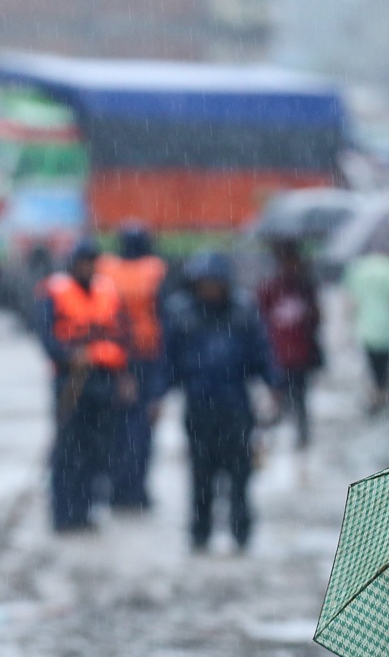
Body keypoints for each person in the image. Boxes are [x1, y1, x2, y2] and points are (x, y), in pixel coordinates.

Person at [165, 252, 275, 552]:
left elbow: (261, 353)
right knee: (201, 475)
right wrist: (156, 395)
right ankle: (200, 533)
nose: (210, 289)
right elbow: (169, 361)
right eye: (205, 283)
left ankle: (241, 532)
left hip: (236, 408)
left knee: (239, 474)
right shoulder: (182, 314)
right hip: (199, 408)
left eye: (215, 283)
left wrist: (274, 384)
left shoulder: (243, 311)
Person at [37, 239, 130, 533]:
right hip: (70, 380)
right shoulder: (55, 291)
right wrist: (67, 355)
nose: (88, 268)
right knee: (67, 447)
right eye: (83, 262)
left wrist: (124, 373)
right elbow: (45, 333)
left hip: (102, 378)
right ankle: (63, 513)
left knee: (95, 448)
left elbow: (122, 334)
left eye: (92, 262)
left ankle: (85, 510)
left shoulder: (108, 291)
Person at [97, 223, 168, 511]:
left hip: (111, 359)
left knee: (113, 430)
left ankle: (114, 489)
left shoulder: (105, 270)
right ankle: (135, 491)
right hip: (145, 358)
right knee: (141, 431)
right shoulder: (156, 272)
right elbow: (164, 320)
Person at [255, 239, 323, 449]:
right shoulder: (270, 289)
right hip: (278, 353)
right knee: (280, 395)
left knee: (299, 396)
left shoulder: (305, 288)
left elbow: (316, 319)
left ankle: (300, 436)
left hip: (301, 353)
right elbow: (260, 320)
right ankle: (276, 436)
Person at [342, 245, 389, 411]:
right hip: (388, 326)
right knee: (385, 361)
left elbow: (352, 301)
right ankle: (382, 391)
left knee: (373, 363)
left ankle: (378, 392)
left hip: (367, 327)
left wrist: (349, 324)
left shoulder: (358, 270)